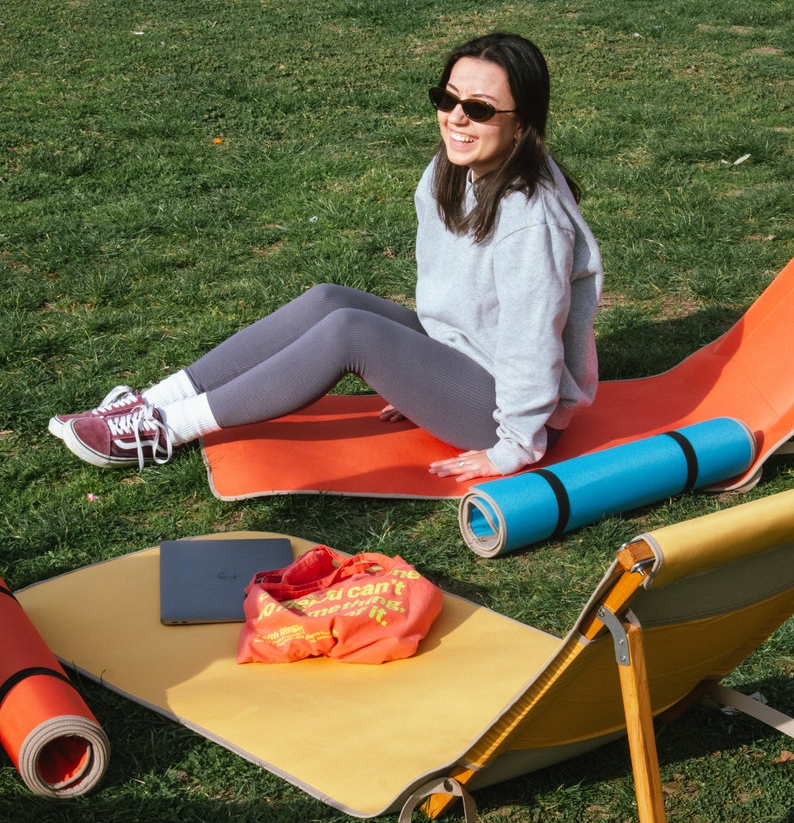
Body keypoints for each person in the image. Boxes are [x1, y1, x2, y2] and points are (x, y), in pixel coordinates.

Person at [50, 32, 603, 484]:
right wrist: (418, 376)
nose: (456, 118)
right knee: (328, 300)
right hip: (463, 360)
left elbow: (533, 347)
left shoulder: (532, 223)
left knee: (351, 333)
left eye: (478, 108)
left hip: (504, 413)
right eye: (446, 99)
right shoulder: (454, 170)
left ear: (522, 122)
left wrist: (512, 450)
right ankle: (149, 402)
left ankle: (167, 429)